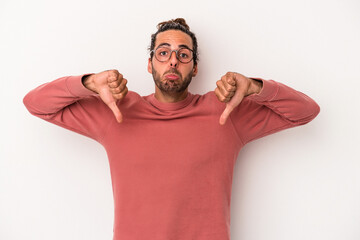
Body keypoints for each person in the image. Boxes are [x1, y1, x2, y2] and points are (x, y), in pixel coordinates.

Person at [23, 18, 320, 240]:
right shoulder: (116, 111)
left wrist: (256, 87)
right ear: (150, 65)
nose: (173, 61)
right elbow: (36, 103)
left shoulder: (226, 112)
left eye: (183, 54)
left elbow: (307, 111)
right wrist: (87, 83)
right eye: (163, 53)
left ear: (195, 67)